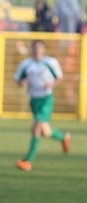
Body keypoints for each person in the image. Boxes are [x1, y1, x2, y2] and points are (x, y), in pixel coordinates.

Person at [14, 40, 71, 171]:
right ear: (32, 49)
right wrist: (22, 83)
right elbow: (19, 80)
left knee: (36, 128)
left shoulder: (50, 62)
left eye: (39, 48)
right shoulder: (26, 64)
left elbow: (59, 77)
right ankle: (64, 137)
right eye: (35, 48)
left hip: (46, 99)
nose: (37, 50)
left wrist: (51, 85)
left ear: (44, 49)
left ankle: (28, 161)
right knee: (45, 132)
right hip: (34, 100)